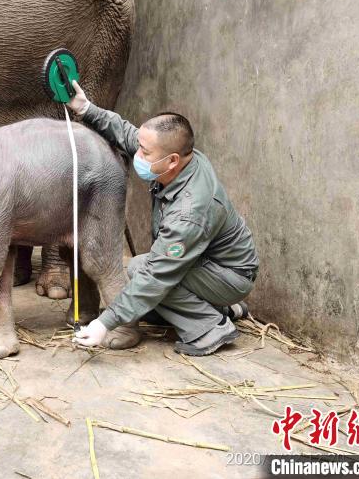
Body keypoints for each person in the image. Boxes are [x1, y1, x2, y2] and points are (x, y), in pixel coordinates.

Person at [69, 81, 259, 356]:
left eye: (145, 152)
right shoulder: (181, 157)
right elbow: (128, 134)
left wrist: (104, 323)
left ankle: (210, 328)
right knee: (139, 268)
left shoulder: (190, 212)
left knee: (147, 273)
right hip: (206, 263)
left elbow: (158, 275)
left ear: (171, 161)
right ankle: (225, 311)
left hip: (230, 274)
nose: (138, 153)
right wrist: (86, 109)